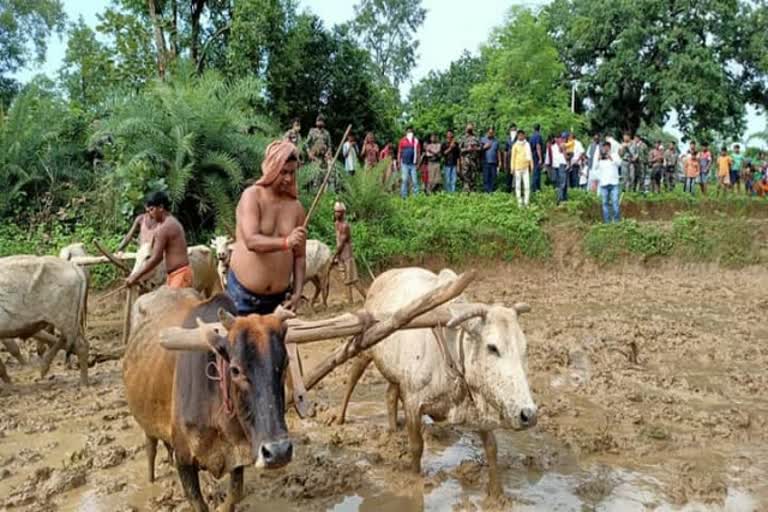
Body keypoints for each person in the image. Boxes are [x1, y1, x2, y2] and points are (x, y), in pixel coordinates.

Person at [227, 140, 306, 314]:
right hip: (243, 297)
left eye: (292, 173)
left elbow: (300, 256)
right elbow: (251, 241)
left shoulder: (296, 207)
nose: (289, 178)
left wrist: (297, 293)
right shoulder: (252, 196)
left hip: (279, 301)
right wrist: (286, 242)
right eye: (283, 172)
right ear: (271, 169)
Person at [125, 191, 192, 289]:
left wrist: (135, 276)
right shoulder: (167, 223)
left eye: (151, 210)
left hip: (180, 275)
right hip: (174, 275)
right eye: (147, 211)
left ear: (161, 208)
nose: (149, 214)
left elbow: (156, 258)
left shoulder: (165, 227)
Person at [332, 202, 366, 304]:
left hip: (347, 256)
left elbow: (341, 244)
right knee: (346, 280)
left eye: (338, 212)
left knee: (353, 280)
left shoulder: (345, 226)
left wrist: (333, 256)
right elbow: (338, 241)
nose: (336, 214)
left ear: (343, 213)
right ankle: (350, 301)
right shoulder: (336, 224)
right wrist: (337, 256)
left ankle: (366, 297)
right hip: (341, 256)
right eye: (335, 212)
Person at [596, 142, 620, 223]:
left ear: (610, 147)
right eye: (604, 147)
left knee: (615, 202)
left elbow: (619, 163)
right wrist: (598, 159)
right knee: (604, 203)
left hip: (614, 183)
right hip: (604, 183)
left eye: (607, 147)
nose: (605, 149)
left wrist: (610, 158)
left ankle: (616, 221)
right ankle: (607, 222)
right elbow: (595, 168)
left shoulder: (615, 155)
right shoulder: (600, 157)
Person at [510, 130, 533, 207]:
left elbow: (530, 156)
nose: (521, 136)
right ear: (517, 136)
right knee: (518, 186)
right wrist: (512, 168)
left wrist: (531, 166)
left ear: (524, 135)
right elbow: (512, 158)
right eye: (519, 135)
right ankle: (519, 202)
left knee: (527, 185)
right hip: (517, 168)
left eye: (522, 135)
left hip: (526, 168)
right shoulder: (515, 145)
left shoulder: (527, 144)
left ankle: (526, 202)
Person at [397, 126, 420, 198]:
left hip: (413, 164)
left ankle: (416, 196)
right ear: (406, 132)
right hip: (404, 163)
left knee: (415, 181)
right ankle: (404, 196)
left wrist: (418, 163)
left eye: (411, 132)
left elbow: (418, 152)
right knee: (404, 180)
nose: (410, 133)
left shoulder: (416, 141)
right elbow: (399, 152)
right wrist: (398, 162)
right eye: (408, 131)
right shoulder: (402, 140)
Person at [460, 123, 482, 192]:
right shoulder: (463, 138)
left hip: (474, 160)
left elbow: (480, 148)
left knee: (474, 176)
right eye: (468, 127)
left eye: (471, 127)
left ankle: (473, 191)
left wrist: (475, 148)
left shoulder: (476, 138)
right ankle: (466, 191)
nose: (469, 129)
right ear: (466, 129)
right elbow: (460, 150)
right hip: (466, 159)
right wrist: (467, 149)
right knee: (465, 176)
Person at [480, 127, 500, 193]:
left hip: (494, 162)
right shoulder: (482, 140)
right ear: (487, 132)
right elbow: (478, 150)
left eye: (492, 133)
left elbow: (498, 152)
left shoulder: (496, 141)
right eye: (489, 132)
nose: (490, 134)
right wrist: (484, 147)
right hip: (485, 162)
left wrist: (500, 161)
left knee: (493, 177)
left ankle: (491, 191)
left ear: (494, 133)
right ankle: (486, 192)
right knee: (486, 177)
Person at [552, 134, 568, 204]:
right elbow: (564, 155)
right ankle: (560, 198)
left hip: (558, 165)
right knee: (562, 182)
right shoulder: (562, 145)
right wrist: (567, 162)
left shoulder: (555, 146)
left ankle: (562, 197)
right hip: (562, 164)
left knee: (561, 182)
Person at [529, 124, 544, 194]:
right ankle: (535, 189)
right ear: (539, 129)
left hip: (532, 155)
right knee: (536, 174)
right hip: (536, 157)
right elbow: (538, 146)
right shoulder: (538, 136)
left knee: (534, 173)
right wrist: (540, 158)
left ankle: (535, 189)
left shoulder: (531, 136)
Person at [504, 124, 518, 191]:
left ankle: (516, 189)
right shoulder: (507, 139)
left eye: (514, 130)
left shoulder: (518, 139)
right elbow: (505, 151)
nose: (513, 131)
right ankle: (508, 189)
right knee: (508, 175)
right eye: (512, 130)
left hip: (517, 160)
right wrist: (504, 161)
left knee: (516, 175)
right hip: (509, 160)